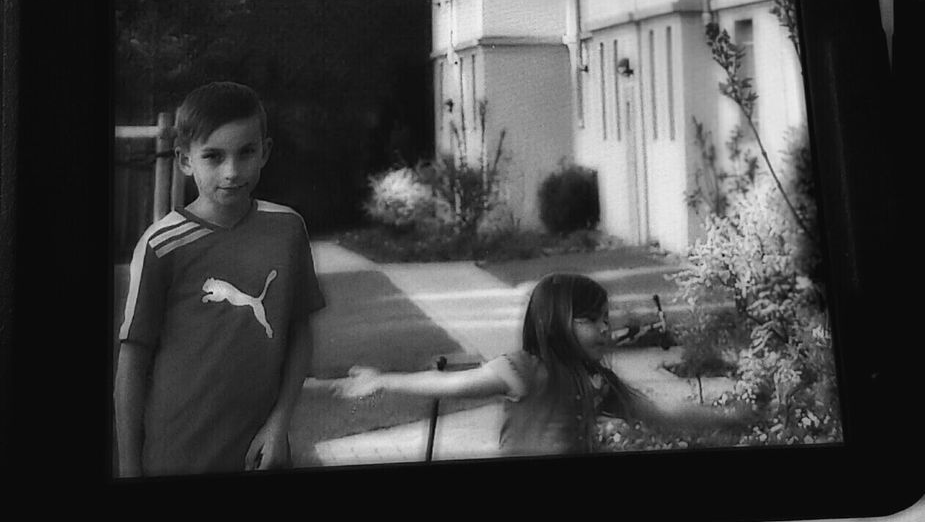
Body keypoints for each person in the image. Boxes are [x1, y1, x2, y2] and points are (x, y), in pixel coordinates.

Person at [114, 81, 326, 477]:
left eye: (246, 153)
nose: (232, 172)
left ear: (265, 151)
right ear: (184, 160)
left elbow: (299, 331)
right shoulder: (161, 245)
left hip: (259, 453)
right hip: (175, 455)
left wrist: (280, 423)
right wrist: (128, 470)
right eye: (213, 156)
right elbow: (132, 360)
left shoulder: (287, 229)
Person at [332, 272, 754, 457]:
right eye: (591, 319)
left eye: (606, 319)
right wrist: (384, 380)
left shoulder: (596, 382)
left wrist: (728, 416)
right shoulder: (524, 370)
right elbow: (451, 385)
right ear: (554, 321)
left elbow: (658, 412)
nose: (605, 329)